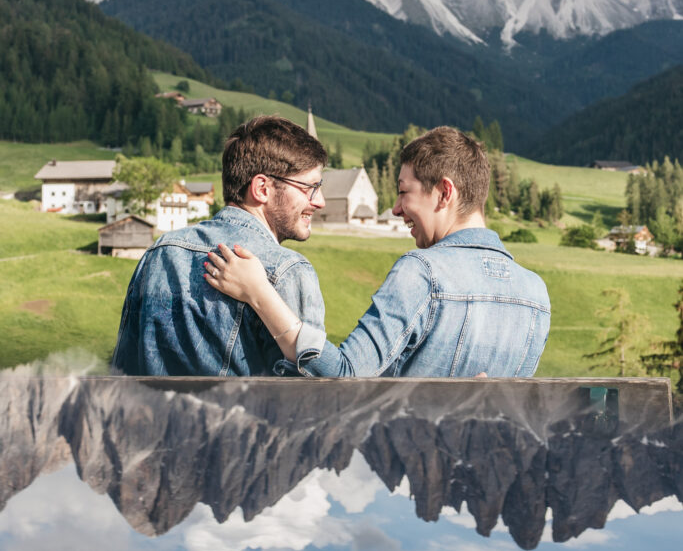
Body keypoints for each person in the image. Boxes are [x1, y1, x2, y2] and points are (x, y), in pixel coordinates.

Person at [205, 126, 551, 378]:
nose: (397, 209)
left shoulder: (423, 272)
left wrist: (260, 292)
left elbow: (345, 376)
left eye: (404, 192)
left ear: (445, 193)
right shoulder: (536, 293)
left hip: (402, 474)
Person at [112, 116, 327, 376]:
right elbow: (312, 394)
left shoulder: (160, 252)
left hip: (157, 417)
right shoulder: (288, 270)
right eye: (310, 188)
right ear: (262, 188)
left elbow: (123, 372)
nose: (320, 201)